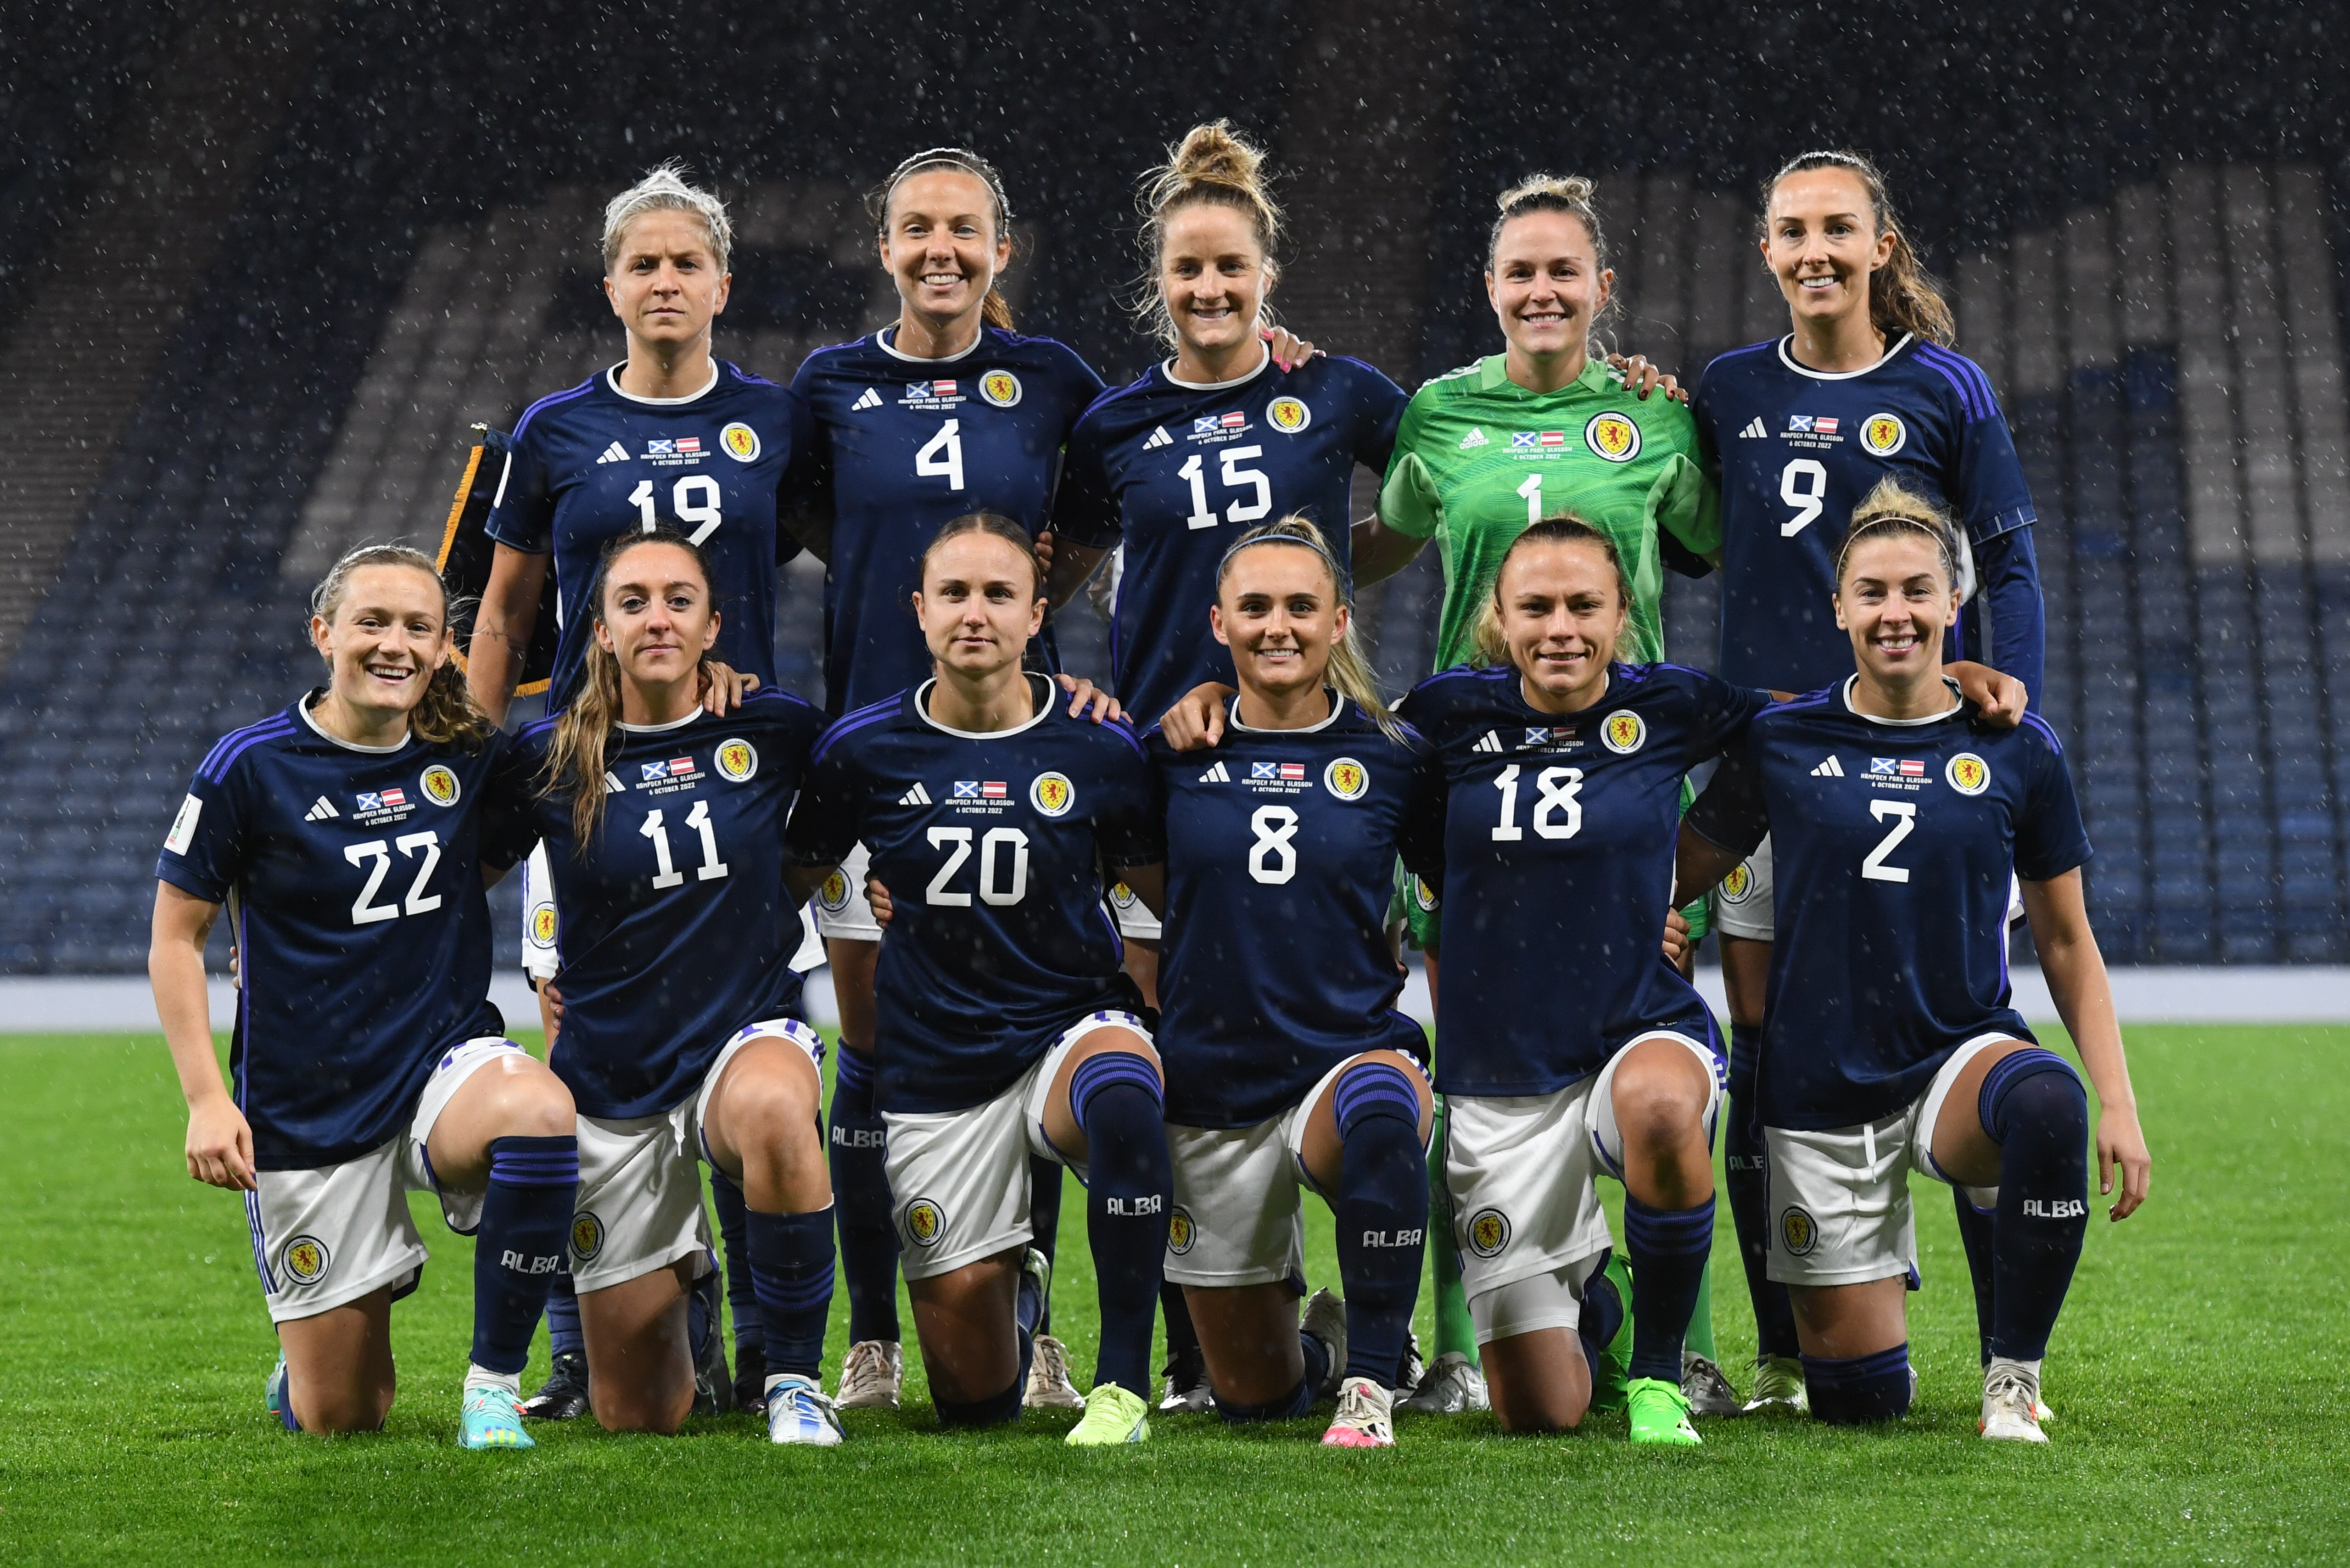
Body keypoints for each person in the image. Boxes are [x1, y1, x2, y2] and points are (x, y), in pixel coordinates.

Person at [784, 146, 1282, 1412]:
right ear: (884, 245)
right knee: (876, 1040)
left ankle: (1050, 1325)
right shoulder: (830, 385)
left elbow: (1096, 529)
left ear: (1001, 251)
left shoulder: (1053, 382)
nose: (939, 250)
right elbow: (785, 531)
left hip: (1030, 760)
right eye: (915, 230)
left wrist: (1040, 668)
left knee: (1052, 1008)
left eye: (964, 230)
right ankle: (873, 1334)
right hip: (878, 762)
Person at [1305, 174, 1728, 1416]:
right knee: (1475, 1066)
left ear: (1603, 289)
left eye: (1564, 272)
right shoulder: (1437, 415)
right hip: (1476, 785)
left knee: (1653, 1073)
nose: (1542, 291)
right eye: (1519, 273)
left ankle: (1682, 1352)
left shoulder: (1653, 417)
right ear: (1490, 291)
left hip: (1625, 790)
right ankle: (1462, 1341)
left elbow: (1707, 539)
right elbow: (1373, 543)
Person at [1687, 149, 2047, 1413]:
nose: (1816, 250)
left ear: (1882, 245)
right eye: (1794, 231)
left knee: (1970, 1032)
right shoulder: (1727, 390)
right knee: (1768, 1055)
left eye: (1840, 228)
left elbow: (2006, 565)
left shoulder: (1947, 387)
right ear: (1769, 249)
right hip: (1770, 784)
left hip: (1920, 775)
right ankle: (1788, 1353)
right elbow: (1678, 534)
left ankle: (2013, 1361)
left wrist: (2010, 708)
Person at [1675, 483, 2146, 1440]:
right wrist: (1650, 918)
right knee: (1860, 1405)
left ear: (1950, 606)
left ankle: (2011, 1379)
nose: (1896, 612)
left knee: (2048, 1100)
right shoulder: (1781, 740)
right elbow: (1676, 865)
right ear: (1839, 606)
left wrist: (2122, 1102)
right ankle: (1862, 1302)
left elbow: (2063, 939)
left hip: (1954, 1058)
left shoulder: (2015, 748)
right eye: (1875, 592)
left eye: (1918, 591)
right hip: (1821, 1086)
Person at [465, 162, 814, 1419]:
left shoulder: (781, 419)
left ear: (723, 283)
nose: (665, 281)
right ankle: (590, 1341)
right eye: (642, 262)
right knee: (576, 1053)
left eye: (686, 262)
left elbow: (885, 532)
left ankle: (779, 1342)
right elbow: (502, 615)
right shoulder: (552, 430)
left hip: (733, 779)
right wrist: (474, 753)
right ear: (611, 285)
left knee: (747, 1049)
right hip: (587, 791)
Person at [150, 544, 573, 1450]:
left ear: (441, 644)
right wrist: (205, 1100)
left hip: (440, 1064)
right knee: (345, 1416)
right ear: (323, 634)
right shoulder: (248, 767)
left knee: (539, 1112)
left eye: (417, 627)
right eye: (371, 623)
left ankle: (492, 1388)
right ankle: (321, 1344)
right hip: (308, 1099)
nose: (394, 644)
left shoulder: (468, 756)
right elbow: (175, 937)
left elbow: (510, 839)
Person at [1393, 517, 1785, 1444]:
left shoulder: (1671, 703)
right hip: (1501, 1068)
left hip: (1637, 1027)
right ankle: (1595, 1312)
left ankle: (1656, 1375)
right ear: (1499, 616)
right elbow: (1377, 793)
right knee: (1542, 1412)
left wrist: (1678, 875)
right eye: (1536, 606)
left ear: (1622, 617)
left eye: (1583, 605)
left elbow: (1789, 731)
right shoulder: (1445, 712)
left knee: (1657, 1107)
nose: (1560, 627)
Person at [785, 513, 1171, 1445]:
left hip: (1064, 1032)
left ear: (1037, 613)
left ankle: (1119, 1389)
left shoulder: (1098, 746)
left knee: (1122, 1089)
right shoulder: (860, 750)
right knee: (972, 1406)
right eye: (953, 593)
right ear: (919, 612)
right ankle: (1015, 1294)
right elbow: (784, 886)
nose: (975, 612)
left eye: (999, 593)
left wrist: (1165, 1018)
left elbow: (1164, 898)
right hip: (937, 1068)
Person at [502, 528, 842, 1443]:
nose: (658, 616)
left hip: (741, 1041)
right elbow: (446, 867)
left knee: (776, 1108)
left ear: (712, 626)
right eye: (635, 601)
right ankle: (686, 1282)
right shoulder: (542, 758)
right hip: (613, 1076)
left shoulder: (772, 726)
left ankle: (794, 1381)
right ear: (601, 630)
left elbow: (886, 785)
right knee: (641, 1415)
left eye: (679, 600)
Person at [1122, 516, 1440, 1447]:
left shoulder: (1396, 756)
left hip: (1344, 1060)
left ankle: (1373, 1388)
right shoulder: (1169, 753)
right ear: (1218, 623)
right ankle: (1328, 1350)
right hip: (1212, 1084)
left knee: (1384, 1108)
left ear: (1340, 621)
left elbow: (1466, 888)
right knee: (1257, 1397)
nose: (1278, 626)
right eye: (1254, 607)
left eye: (1302, 606)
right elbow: (1130, 886)